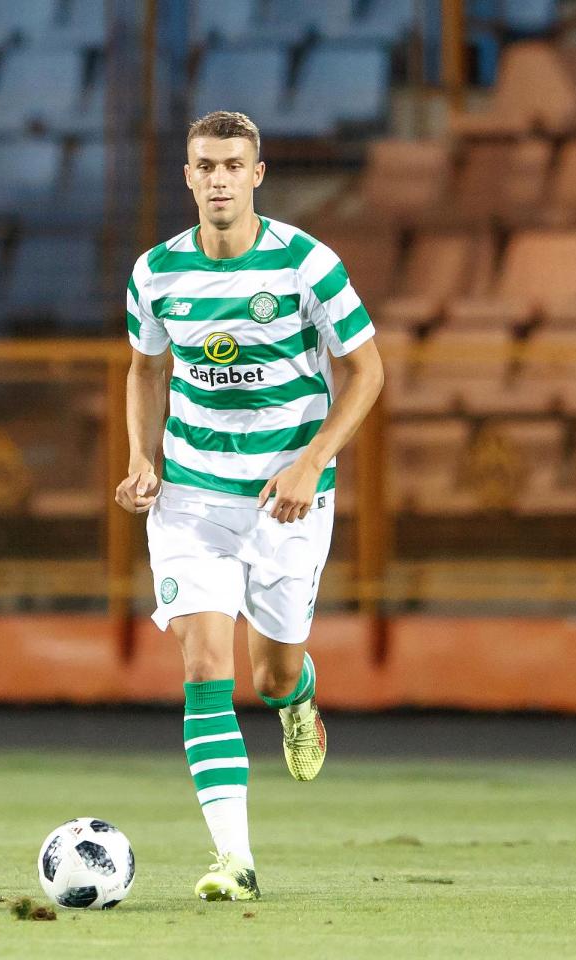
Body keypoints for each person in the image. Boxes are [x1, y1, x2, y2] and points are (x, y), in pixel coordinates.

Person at [115, 111, 384, 901]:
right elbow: (144, 370)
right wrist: (141, 456)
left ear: (257, 175)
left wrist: (311, 462)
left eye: (234, 165)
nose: (220, 179)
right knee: (205, 664)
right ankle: (235, 860)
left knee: (269, 675)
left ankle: (298, 698)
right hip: (192, 498)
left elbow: (368, 371)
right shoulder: (155, 273)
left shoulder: (307, 264)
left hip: (287, 502)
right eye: (206, 165)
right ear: (188, 176)